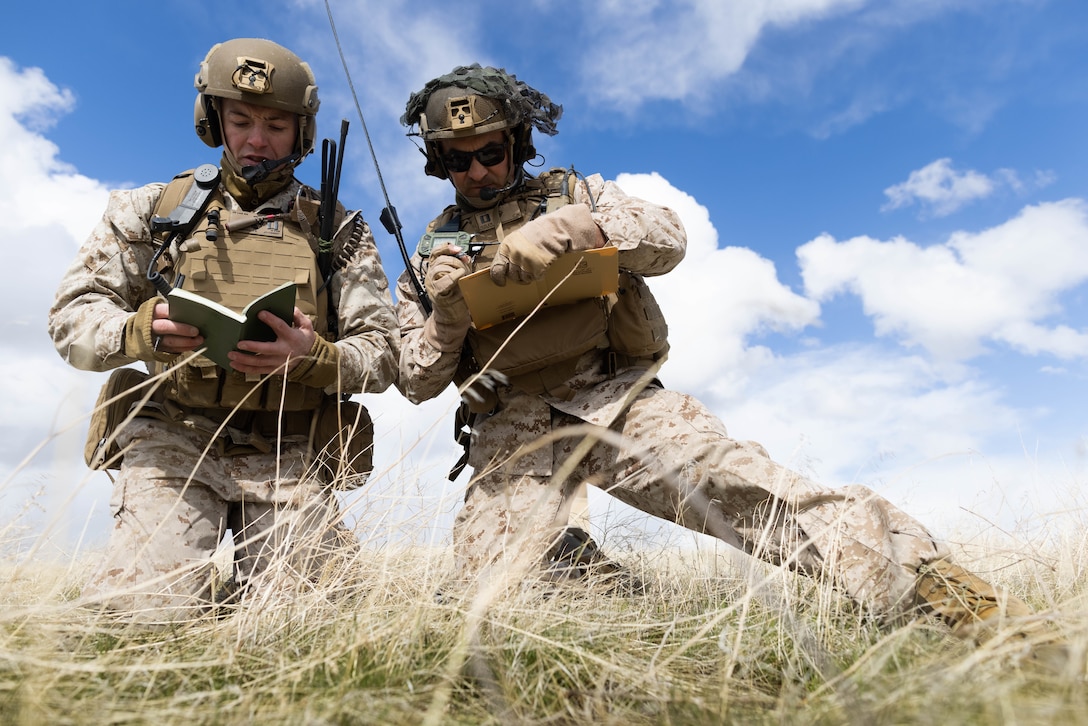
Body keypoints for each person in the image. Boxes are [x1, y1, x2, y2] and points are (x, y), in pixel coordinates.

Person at [392, 63, 1062, 653]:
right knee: (488, 603)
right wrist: (449, 316)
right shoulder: (429, 254)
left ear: (517, 142)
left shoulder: (579, 194)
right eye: (458, 160)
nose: (478, 172)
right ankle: (588, 577)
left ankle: (953, 600)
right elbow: (417, 379)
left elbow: (669, 238)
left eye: (491, 152)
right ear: (438, 163)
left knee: (748, 492)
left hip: (617, 398)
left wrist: (586, 229)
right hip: (510, 432)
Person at [48, 38, 399, 623]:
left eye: (275, 126)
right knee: (144, 621)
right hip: (174, 441)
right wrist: (140, 331)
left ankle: (239, 600)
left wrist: (312, 356)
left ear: (301, 134)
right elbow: (72, 318)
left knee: (312, 632)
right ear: (213, 121)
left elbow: (383, 353)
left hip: (290, 449)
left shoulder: (339, 231)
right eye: (240, 120)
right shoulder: (151, 211)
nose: (256, 140)